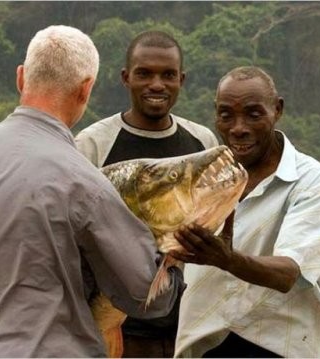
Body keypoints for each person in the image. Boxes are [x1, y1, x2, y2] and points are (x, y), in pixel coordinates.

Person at [0, 25, 184, 358]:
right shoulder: (85, 182)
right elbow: (147, 296)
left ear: (20, 78)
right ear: (86, 89)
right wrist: (173, 263)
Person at [171, 66, 320, 358]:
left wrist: (228, 260)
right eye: (226, 115)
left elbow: (289, 273)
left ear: (277, 109)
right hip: (203, 345)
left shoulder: (309, 180)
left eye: (253, 114)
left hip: (281, 346)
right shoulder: (202, 178)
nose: (238, 127)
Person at [75, 30, 219, 358]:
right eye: (144, 74)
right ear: (126, 78)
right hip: (114, 328)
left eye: (168, 75)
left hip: (186, 328)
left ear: (181, 79)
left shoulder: (203, 144)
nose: (157, 84)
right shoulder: (93, 144)